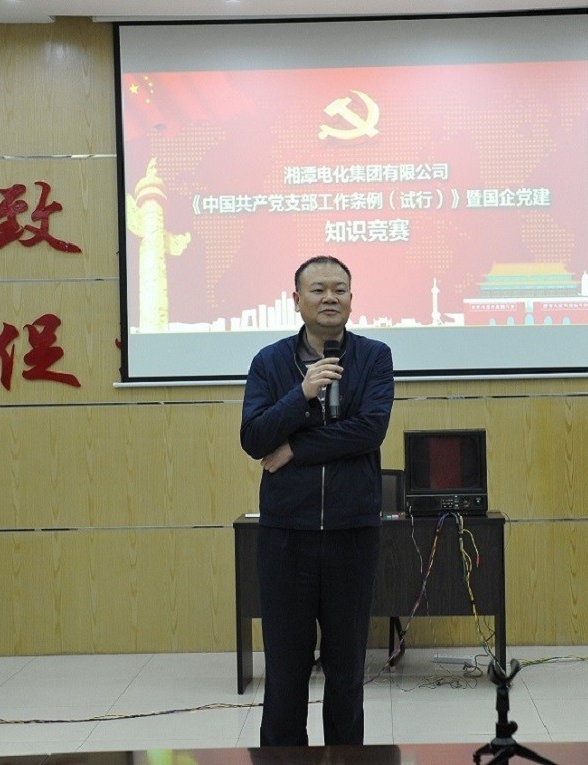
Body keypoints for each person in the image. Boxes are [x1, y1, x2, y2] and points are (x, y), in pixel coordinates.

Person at [240, 255, 394, 747]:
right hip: (287, 535)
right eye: (319, 289)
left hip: (352, 532)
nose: (331, 298)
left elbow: (368, 430)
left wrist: (295, 448)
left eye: (340, 289)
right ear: (297, 300)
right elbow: (254, 438)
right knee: (286, 669)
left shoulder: (374, 357)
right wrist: (301, 394)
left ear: (351, 298)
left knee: (347, 670)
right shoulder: (269, 362)